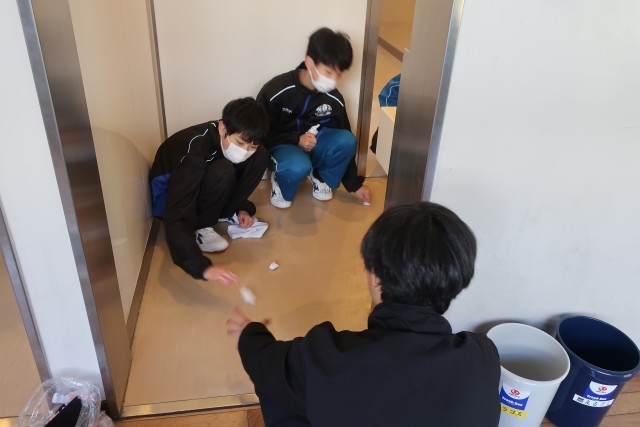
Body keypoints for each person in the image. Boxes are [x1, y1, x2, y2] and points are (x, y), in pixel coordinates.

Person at [227, 201, 501, 426]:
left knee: (293, 393)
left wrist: (250, 334)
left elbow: (265, 364)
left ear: (375, 276)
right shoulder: (483, 358)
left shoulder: (326, 358)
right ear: (457, 280)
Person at [149, 97, 269, 283]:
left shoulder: (230, 141)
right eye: (240, 143)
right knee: (223, 171)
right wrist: (201, 267)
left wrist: (240, 207)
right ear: (222, 128)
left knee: (260, 155)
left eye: (251, 146)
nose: (245, 151)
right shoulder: (195, 153)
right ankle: (200, 227)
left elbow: (246, 156)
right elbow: (175, 212)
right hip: (170, 199)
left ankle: (227, 211)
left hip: (199, 186)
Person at [256, 27, 371, 209]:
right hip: (281, 146)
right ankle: (281, 181)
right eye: (328, 72)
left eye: (339, 74)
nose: (333, 80)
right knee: (297, 167)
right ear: (309, 62)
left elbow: (344, 139)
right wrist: (296, 139)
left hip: (314, 145)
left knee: (347, 140)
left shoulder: (333, 98)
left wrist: (354, 185)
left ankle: (320, 176)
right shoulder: (276, 90)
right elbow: (258, 133)